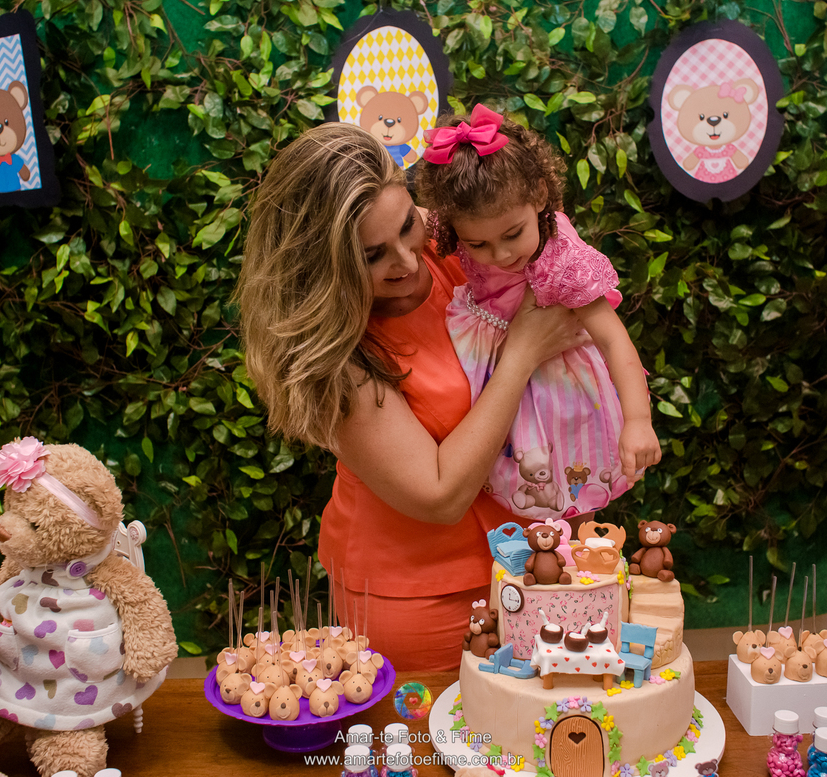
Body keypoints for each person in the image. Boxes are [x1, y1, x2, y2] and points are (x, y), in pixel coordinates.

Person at [235, 123, 588, 670]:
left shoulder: (455, 241)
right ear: (320, 266)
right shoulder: (334, 359)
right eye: (371, 256)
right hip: (422, 601)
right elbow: (439, 496)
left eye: (407, 225)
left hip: (537, 564)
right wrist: (521, 354)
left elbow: (542, 232)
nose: (406, 260)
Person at [415, 103, 661, 524]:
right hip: (497, 371)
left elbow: (613, 338)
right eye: (478, 245)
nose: (501, 254)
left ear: (540, 196)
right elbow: (415, 221)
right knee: (515, 487)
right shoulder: (463, 225)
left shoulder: (562, 260)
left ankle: (577, 557)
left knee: (572, 487)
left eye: (513, 234)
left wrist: (638, 421)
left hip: (561, 388)